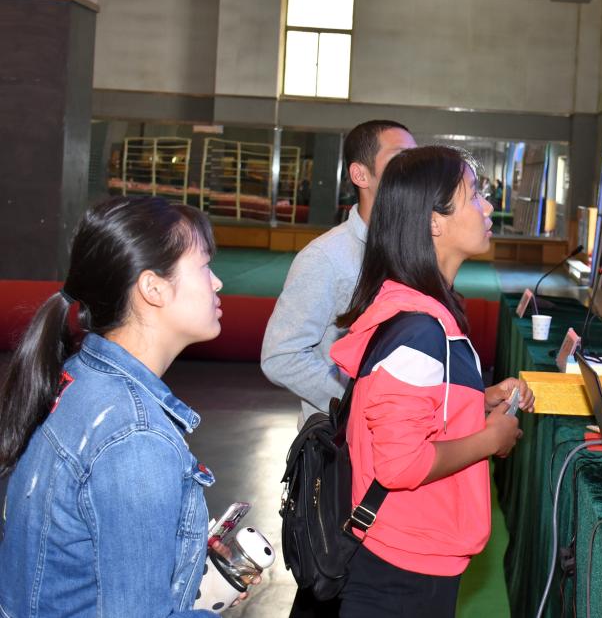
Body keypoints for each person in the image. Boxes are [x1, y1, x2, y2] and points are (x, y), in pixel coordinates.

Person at [0, 196, 228, 617]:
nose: (216, 283)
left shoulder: (76, 376)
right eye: (204, 266)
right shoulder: (135, 438)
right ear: (153, 288)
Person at [330, 145, 534, 617]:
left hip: (410, 549)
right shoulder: (421, 330)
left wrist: (480, 401)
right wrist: (490, 439)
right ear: (433, 222)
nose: (487, 207)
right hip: (402, 564)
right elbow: (401, 465)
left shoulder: (421, 311)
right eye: (474, 196)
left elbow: (420, 408)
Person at [261, 119, 417, 424]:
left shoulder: (415, 251)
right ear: (360, 174)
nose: (413, 169)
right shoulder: (326, 257)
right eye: (400, 158)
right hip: (345, 439)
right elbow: (281, 356)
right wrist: (358, 399)